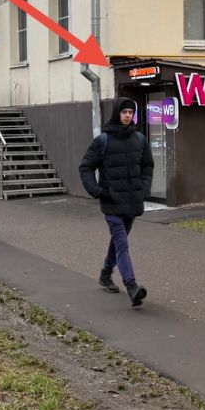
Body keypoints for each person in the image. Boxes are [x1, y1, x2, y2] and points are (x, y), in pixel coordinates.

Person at [79, 97, 154, 307]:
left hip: (132, 202)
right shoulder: (102, 141)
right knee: (122, 242)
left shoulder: (140, 139)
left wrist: (144, 188)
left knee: (117, 241)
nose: (128, 116)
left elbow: (147, 166)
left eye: (131, 112)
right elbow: (85, 167)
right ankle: (132, 286)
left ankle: (105, 273)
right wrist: (97, 191)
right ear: (116, 114)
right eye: (124, 112)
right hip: (112, 202)